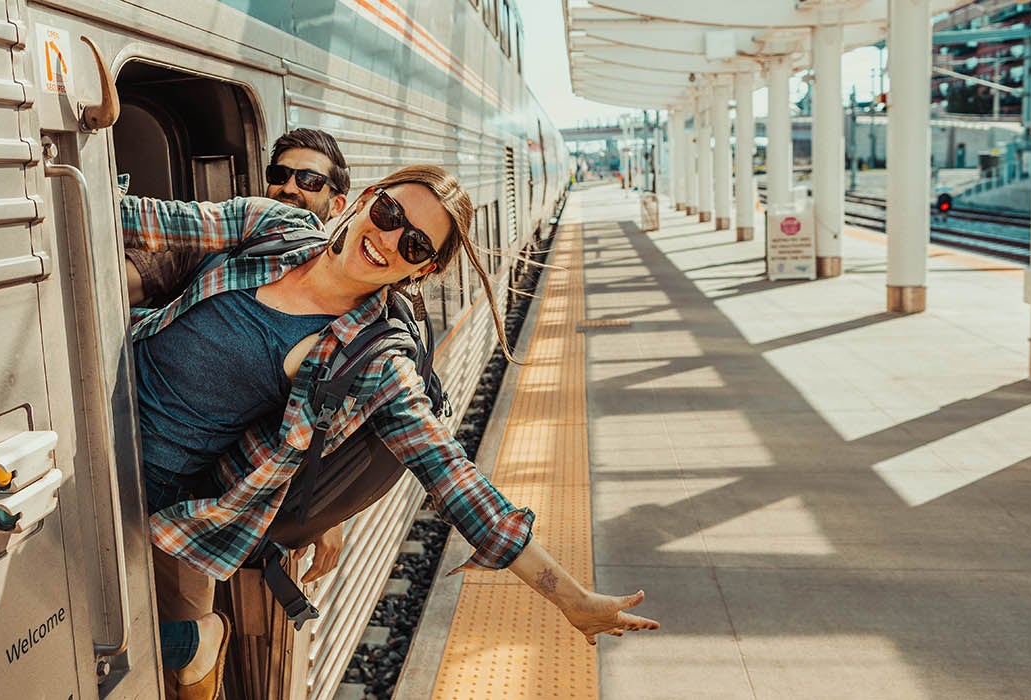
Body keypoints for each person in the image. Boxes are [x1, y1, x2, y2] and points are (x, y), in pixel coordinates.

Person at [123, 165, 659, 700]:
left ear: (419, 271)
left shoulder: (375, 358)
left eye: (415, 244)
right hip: (104, 390)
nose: (388, 239)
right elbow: (148, 219)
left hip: (143, 482)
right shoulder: (274, 227)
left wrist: (570, 597)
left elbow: (452, 477)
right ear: (367, 200)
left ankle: (197, 640)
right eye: (389, 214)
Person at [125, 127, 351, 308]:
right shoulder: (211, 248)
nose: (289, 188)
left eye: (309, 180)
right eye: (279, 175)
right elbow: (132, 280)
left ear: (337, 205)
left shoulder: (328, 290)